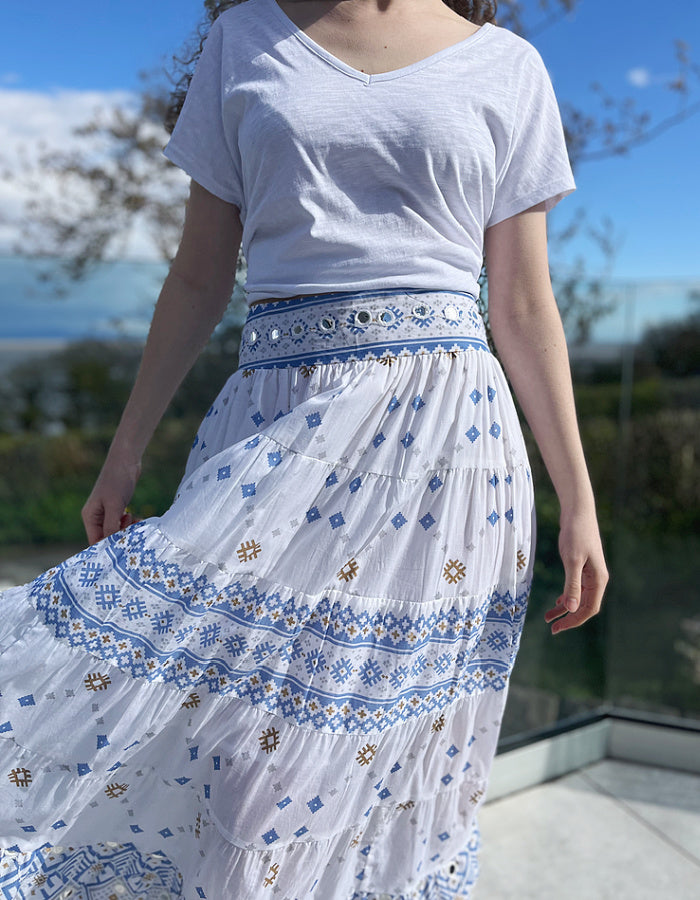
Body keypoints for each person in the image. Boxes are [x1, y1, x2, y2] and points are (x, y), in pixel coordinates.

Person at [0, 0, 609, 896]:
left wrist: (579, 502)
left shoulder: (506, 64)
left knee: (379, 768)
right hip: (277, 420)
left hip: (450, 444)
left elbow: (521, 305)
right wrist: (123, 451)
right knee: (241, 756)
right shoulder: (244, 39)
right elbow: (201, 271)